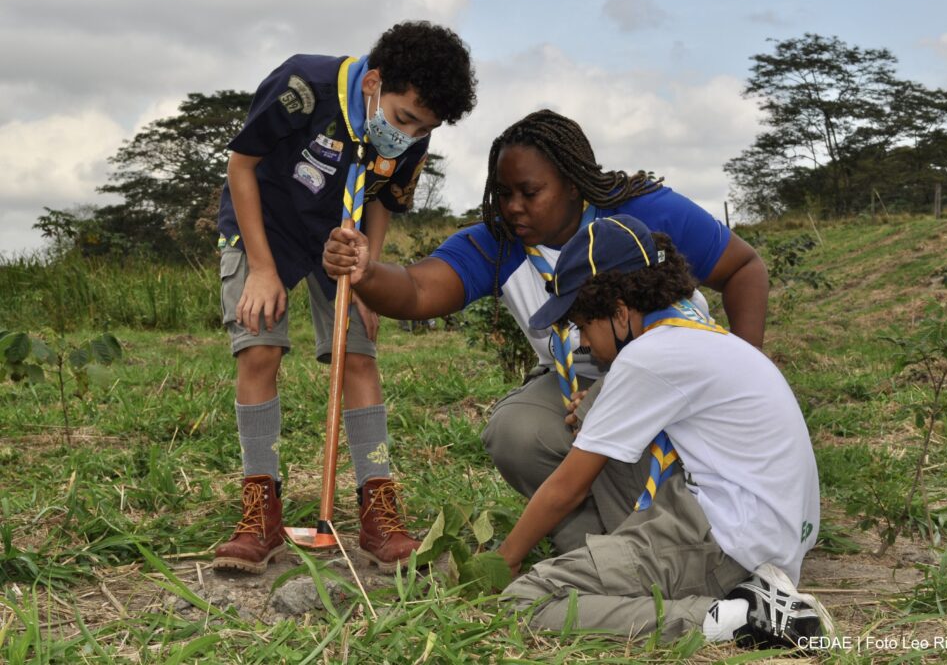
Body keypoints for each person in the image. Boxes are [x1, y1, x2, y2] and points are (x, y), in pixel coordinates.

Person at [323, 109, 769, 553]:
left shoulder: (643, 212)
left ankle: (691, 529)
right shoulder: (499, 245)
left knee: (612, 414)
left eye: (530, 192)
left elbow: (745, 268)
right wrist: (368, 272)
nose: (513, 206)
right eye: (503, 193)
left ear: (573, 184)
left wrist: (747, 373)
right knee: (517, 431)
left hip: (675, 375)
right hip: (572, 378)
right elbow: (418, 290)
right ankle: (600, 538)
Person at [211, 21, 477, 574]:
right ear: (374, 82)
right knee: (259, 347)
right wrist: (261, 268)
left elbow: (380, 199)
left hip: (342, 236)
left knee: (358, 355)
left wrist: (369, 275)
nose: (408, 134)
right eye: (404, 118)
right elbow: (242, 164)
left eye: (424, 128)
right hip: (267, 225)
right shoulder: (304, 84)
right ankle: (260, 510)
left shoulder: (411, 132)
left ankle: (378, 508)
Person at [498, 214, 830, 649]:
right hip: (763, 528)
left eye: (582, 325)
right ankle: (647, 574)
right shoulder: (692, 328)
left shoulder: (650, 356)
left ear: (619, 312)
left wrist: (503, 560)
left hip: (728, 544)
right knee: (598, 409)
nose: (580, 343)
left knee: (525, 601)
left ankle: (740, 617)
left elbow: (568, 489)